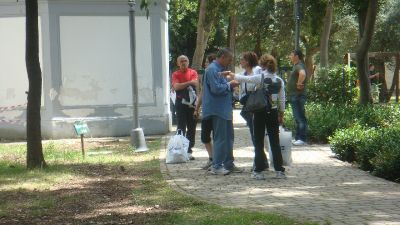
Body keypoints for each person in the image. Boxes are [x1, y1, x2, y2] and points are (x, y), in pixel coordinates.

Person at [230, 54, 286, 180]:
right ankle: (279, 170)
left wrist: (231, 75)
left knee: (259, 141)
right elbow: (282, 99)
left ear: (262, 65)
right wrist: (281, 114)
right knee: (274, 142)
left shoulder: (260, 77)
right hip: (273, 112)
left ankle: (258, 170)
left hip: (260, 112)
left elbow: (246, 80)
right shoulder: (279, 80)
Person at [202, 48, 242, 175]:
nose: (230, 62)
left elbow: (221, 86)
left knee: (229, 137)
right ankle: (217, 166)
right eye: (229, 59)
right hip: (217, 109)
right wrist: (230, 85)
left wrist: (228, 84)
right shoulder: (212, 69)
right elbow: (215, 89)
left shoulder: (219, 70)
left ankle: (228, 163)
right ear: (223, 57)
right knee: (221, 138)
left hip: (224, 109)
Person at [171, 55, 199, 160]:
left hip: (192, 103)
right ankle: (180, 150)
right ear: (178, 63)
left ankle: (189, 150)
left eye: (186, 61)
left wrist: (182, 84)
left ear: (188, 62)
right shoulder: (175, 74)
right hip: (180, 103)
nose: (184, 63)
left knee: (192, 127)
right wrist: (188, 83)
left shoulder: (193, 72)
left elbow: (195, 83)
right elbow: (176, 86)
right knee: (181, 127)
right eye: (181, 61)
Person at [194, 53, 217, 170]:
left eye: (207, 62)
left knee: (218, 137)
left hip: (216, 111)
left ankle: (217, 160)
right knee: (205, 136)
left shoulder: (216, 73)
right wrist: (197, 108)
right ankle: (212, 158)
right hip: (207, 112)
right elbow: (202, 93)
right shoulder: (206, 76)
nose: (205, 64)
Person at [288, 49, 308, 146]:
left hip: (297, 95)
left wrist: (299, 83)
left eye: (291, 55)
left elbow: (302, 73)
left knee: (300, 117)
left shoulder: (299, 65)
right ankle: (298, 138)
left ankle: (302, 139)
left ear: (296, 56)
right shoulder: (296, 66)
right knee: (298, 117)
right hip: (296, 95)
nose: (290, 56)